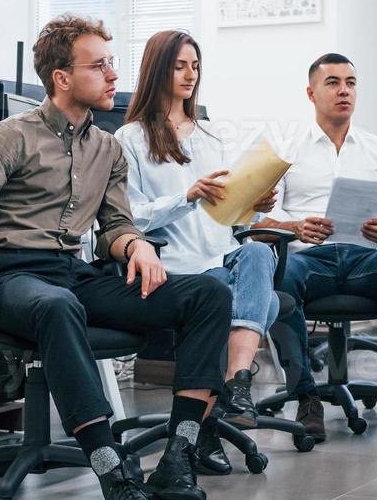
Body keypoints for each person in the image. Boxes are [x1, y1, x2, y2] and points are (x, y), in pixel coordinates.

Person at [0, 15, 232, 500]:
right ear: (62, 78)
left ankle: (178, 457)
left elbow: (116, 224)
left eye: (113, 64)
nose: (114, 76)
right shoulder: (6, 139)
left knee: (208, 293)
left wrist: (135, 244)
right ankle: (117, 481)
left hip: (75, 274)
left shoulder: (108, 149)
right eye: (99, 66)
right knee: (56, 306)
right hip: (12, 277)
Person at [251, 54, 377, 449]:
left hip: (367, 257)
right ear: (311, 93)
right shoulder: (285, 150)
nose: (344, 90)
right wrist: (294, 226)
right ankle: (305, 396)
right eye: (333, 82)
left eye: (351, 83)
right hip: (308, 257)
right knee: (281, 279)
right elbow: (257, 221)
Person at [116, 30, 281, 471]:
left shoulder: (212, 137)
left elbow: (231, 219)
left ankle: (237, 382)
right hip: (178, 267)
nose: (190, 75)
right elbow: (128, 216)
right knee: (258, 302)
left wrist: (253, 204)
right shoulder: (130, 139)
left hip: (221, 256)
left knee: (261, 255)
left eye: (195, 66)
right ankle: (206, 429)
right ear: (157, 70)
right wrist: (187, 196)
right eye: (179, 65)